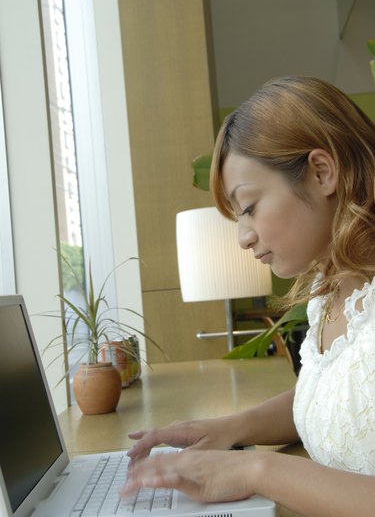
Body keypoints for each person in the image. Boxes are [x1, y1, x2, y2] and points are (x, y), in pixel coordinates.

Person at [121, 76, 375, 517]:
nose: (243, 237)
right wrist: (229, 428)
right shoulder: (332, 298)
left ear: (322, 172)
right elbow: (339, 400)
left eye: (250, 207)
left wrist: (255, 470)